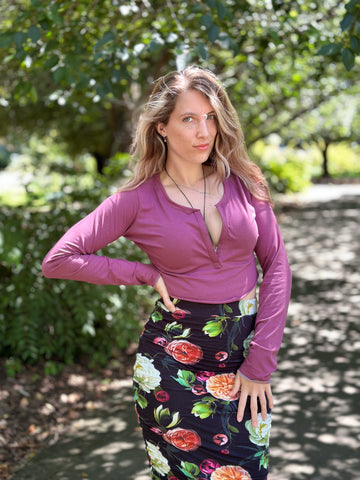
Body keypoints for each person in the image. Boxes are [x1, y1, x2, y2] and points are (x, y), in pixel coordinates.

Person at [42, 66, 292, 480]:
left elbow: (277, 265)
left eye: (211, 117)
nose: (204, 131)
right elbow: (60, 258)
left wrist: (260, 361)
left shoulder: (246, 181)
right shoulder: (135, 199)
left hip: (244, 362)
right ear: (161, 127)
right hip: (171, 366)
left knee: (246, 471)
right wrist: (142, 272)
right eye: (189, 118)